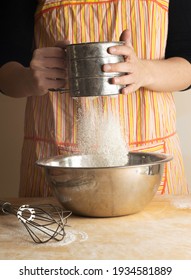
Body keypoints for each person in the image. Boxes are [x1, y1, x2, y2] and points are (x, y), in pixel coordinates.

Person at [0, 0, 191, 196]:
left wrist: (145, 71)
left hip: (149, 165)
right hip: (57, 165)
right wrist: (28, 79)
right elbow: (5, 69)